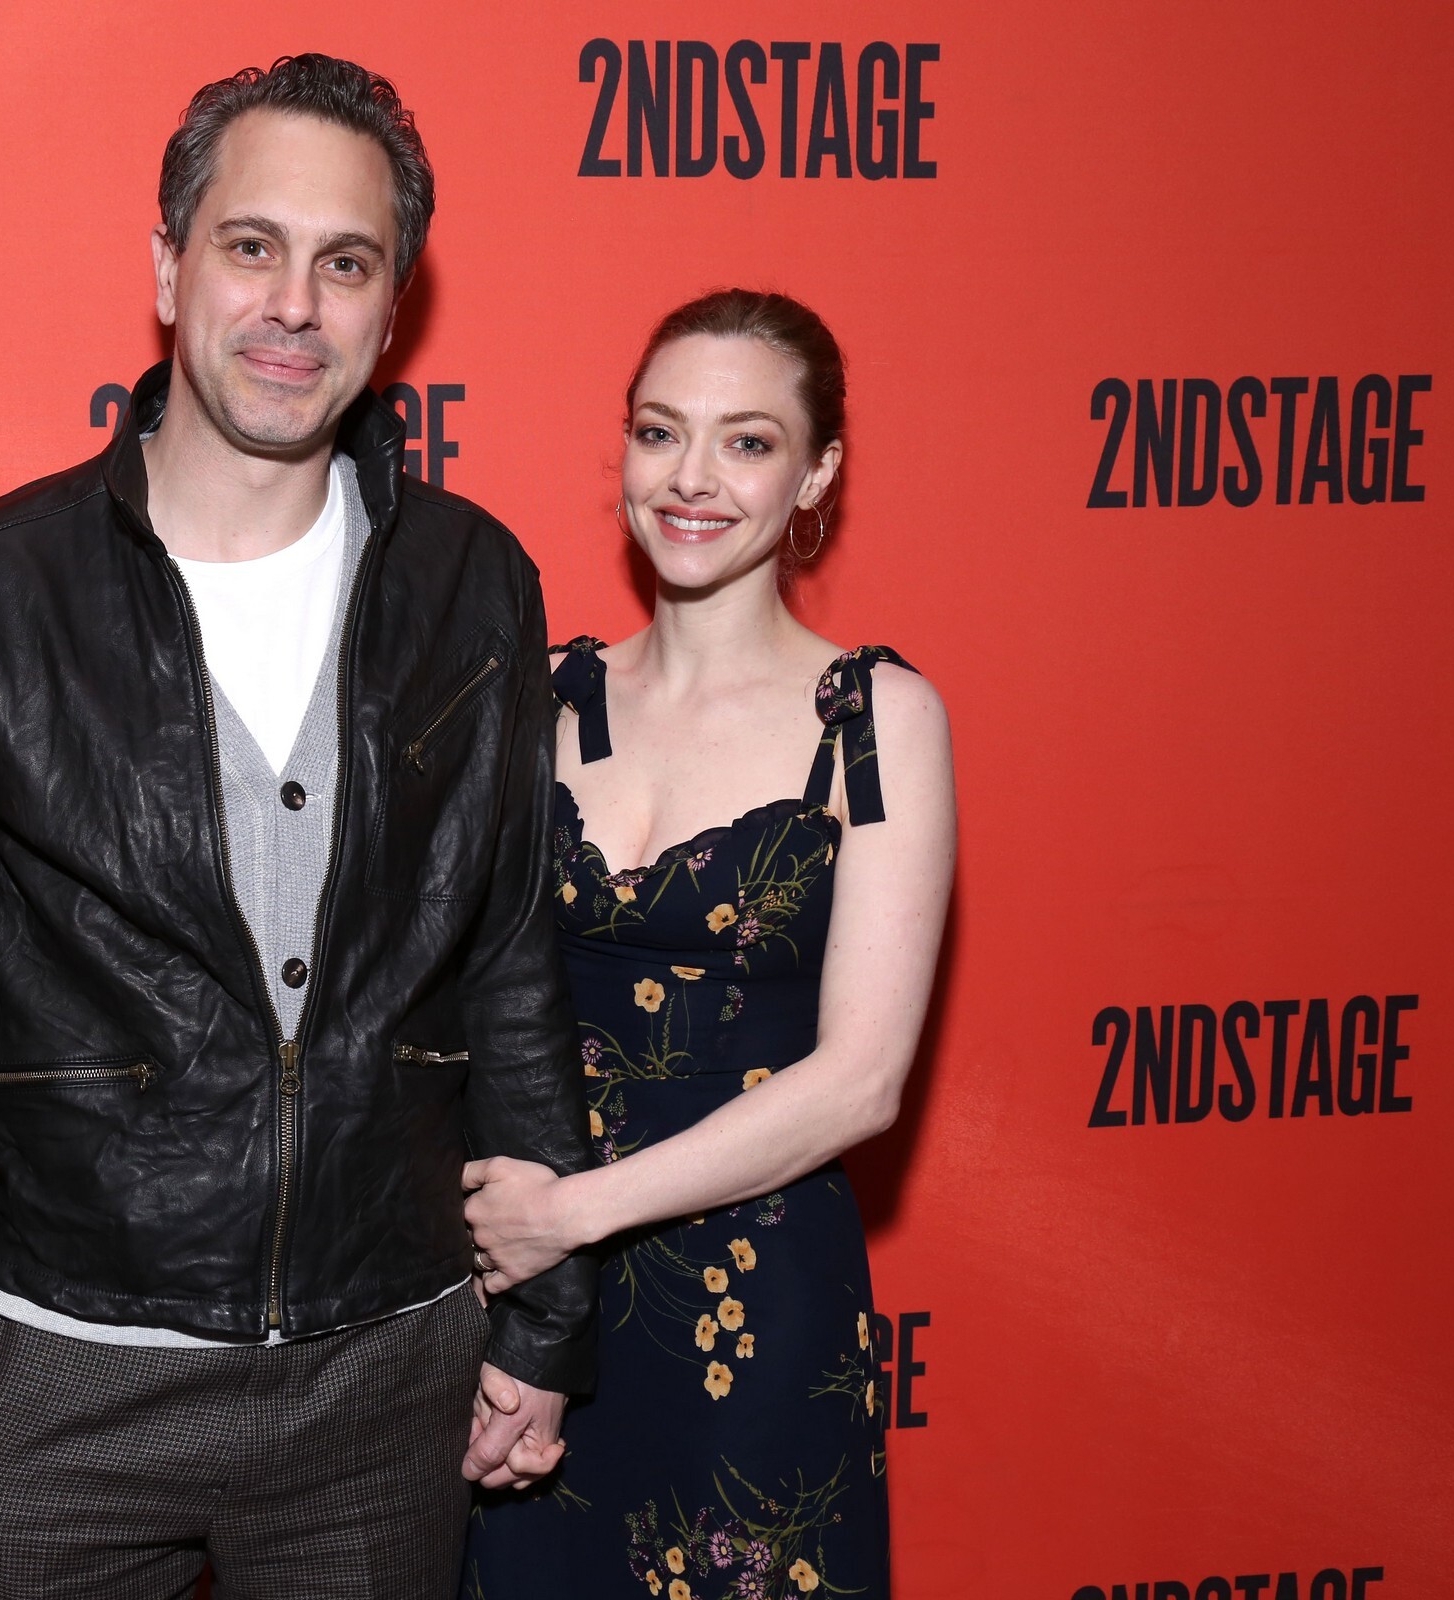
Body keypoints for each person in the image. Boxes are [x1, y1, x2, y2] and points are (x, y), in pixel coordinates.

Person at [0, 55, 596, 1600]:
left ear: (392, 311)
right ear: (169, 268)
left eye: (346, 263)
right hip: (56, 1381)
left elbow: (510, 962)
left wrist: (546, 1316)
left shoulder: (475, 587)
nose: (294, 304)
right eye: (252, 246)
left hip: (384, 1378)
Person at [458, 289, 956, 1599]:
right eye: (659, 431)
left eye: (747, 442)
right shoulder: (543, 700)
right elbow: (470, 1019)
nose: (691, 478)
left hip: (754, 1316)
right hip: (534, 1318)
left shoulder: (874, 720)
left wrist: (569, 1217)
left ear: (816, 475)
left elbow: (862, 1082)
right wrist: (523, 1299)